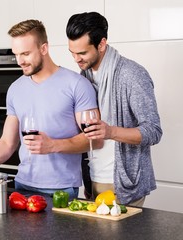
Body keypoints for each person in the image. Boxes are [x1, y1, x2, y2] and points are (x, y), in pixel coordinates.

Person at [0, 19, 101, 200]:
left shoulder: (77, 85)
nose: (20, 61)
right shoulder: (15, 89)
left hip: (61, 189)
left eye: (25, 53)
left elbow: (95, 140)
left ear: (44, 49)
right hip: (22, 186)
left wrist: (53, 145)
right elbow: (6, 143)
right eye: (16, 54)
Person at [66, 12, 163, 206]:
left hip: (124, 183)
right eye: (72, 52)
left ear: (101, 44)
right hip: (93, 179)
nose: (76, 59)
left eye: (82, 53)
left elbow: (154, 131)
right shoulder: (83, 76)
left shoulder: (131, 75)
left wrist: (110, 132)